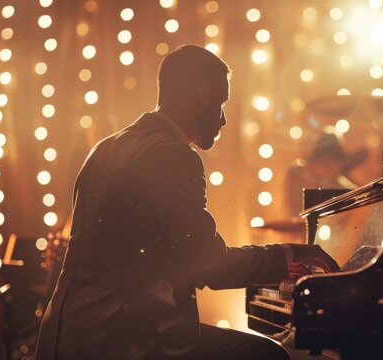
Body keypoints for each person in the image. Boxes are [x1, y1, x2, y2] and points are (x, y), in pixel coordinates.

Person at [35, 44, 338, 360]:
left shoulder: (105, 148)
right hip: (121, 341)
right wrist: (292, 254)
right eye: (221, 104)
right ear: (203, 92)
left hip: (64, 335)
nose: (222, 120)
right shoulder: (172, 155)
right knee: (264, 354)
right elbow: (210, 266)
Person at [284, 132, 367, 217]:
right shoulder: (296, 174)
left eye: (335, 164)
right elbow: (293, 212)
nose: (332, 169)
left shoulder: (341, 187)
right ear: (315, 162)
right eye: (326, 163)